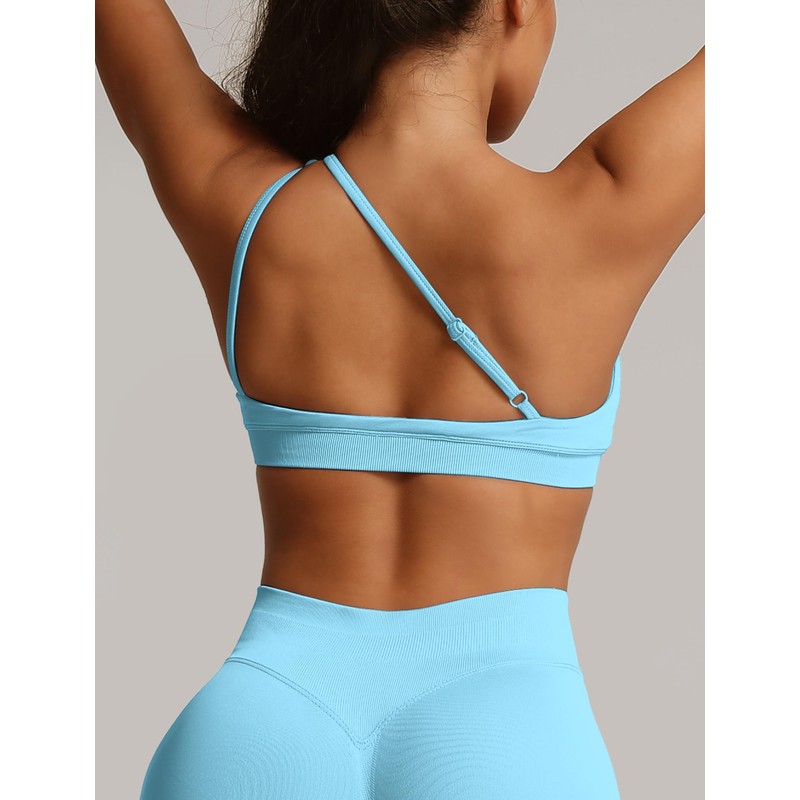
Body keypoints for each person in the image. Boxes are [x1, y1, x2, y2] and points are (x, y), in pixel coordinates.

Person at [96, 0, 704, 797]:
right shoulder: (601, 209)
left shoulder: (242, 209)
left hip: (254, 728)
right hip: (503, 737)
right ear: (518, 6)